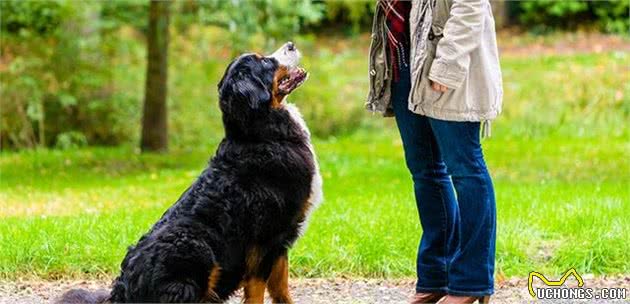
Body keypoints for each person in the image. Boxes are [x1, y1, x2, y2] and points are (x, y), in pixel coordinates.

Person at [366, 0, 502, 303]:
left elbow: (470, 6)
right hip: (403, 59)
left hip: (444, 60)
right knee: (425, 171)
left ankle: (471, 282)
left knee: (465, 168)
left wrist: (448, 63)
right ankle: (435, 277)